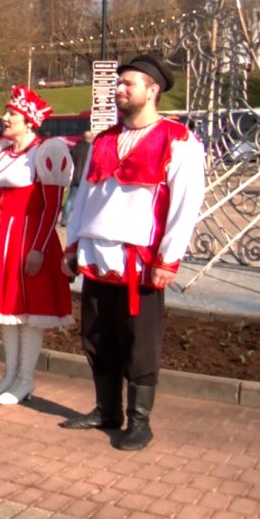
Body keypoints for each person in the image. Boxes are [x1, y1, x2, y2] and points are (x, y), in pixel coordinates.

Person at [60, 53, 206, 451]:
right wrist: (72, 246)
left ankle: (139, 421)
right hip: (96, 256)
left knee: (139, 344)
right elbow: (85, 196)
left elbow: (185, 204)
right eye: (119, 83)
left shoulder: (179, 140)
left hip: (139, 263)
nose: (120, 89)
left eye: (129, 83)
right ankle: (106, 410)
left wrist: (168, 258)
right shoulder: (105, 139)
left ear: (152, 90)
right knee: (97, 336)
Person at [0, 86, 75, 405]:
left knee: (28, 312)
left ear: (29, 121)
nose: (5, 118)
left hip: (29, 236)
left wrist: (39, 247)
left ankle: (25, 379)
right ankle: (9, 375)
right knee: (7, 310)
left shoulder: (47, 150)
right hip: (1, 236)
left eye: (12, 113)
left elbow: (53, 205)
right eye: (7, 112)